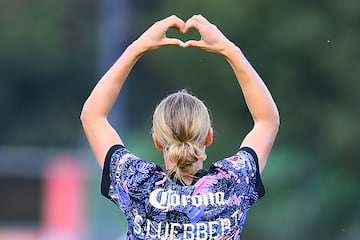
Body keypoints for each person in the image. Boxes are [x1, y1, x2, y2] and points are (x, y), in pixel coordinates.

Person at [81, 14, 279, 240]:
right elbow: (267, 120)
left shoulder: (137, 183)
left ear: (156, 140)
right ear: (209, 137)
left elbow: (93, 116)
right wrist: (231, 51)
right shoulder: (232, 183)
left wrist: (136, 48)